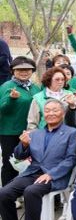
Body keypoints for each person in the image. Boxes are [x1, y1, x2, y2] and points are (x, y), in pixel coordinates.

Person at [0, 100, 76, 220]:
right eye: (47, 110)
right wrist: (23, 144)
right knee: (4, 193)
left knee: (31, 191)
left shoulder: (71, 132)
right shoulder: (36, 133)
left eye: (55, 110)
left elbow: (71, 159)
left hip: (54, 176)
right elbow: (19, 155)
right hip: (32, 173)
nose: (51, 113)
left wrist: (51, 174)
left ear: (62, 113)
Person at [0, 57, 40, 186]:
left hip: (30, 132)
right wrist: (11, 99)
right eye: (20, 70)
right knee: (10, 163)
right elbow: (2, 109)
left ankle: (23, 190)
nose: (24, 72)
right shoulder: (7, 86)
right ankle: (7, 192)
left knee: (28, 163)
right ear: (13, 71)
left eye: (27, 69)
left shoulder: (35, 88)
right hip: (10, 132)